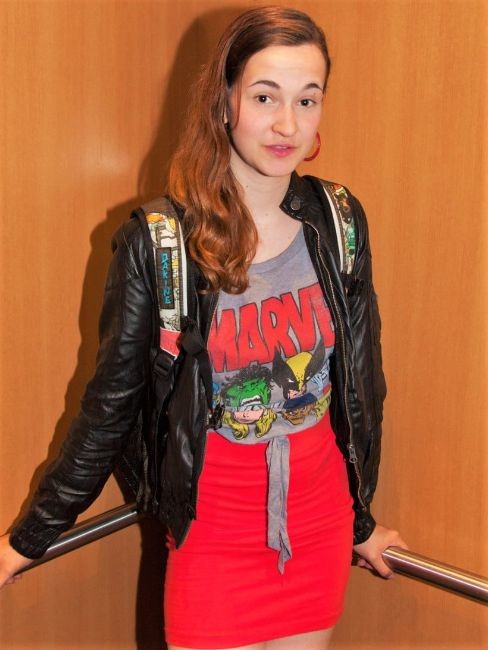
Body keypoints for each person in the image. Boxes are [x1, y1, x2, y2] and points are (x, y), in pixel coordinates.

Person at [0, 6, 407, 650]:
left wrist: (360, 520)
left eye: (307, 99)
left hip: (317, 528)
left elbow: (363, 384)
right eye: (265, 96)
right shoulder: (159, 245)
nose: (287, 123)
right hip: (213, 539)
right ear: (224, 101)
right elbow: (109, 409)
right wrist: (25, 542)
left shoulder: (339, 221)